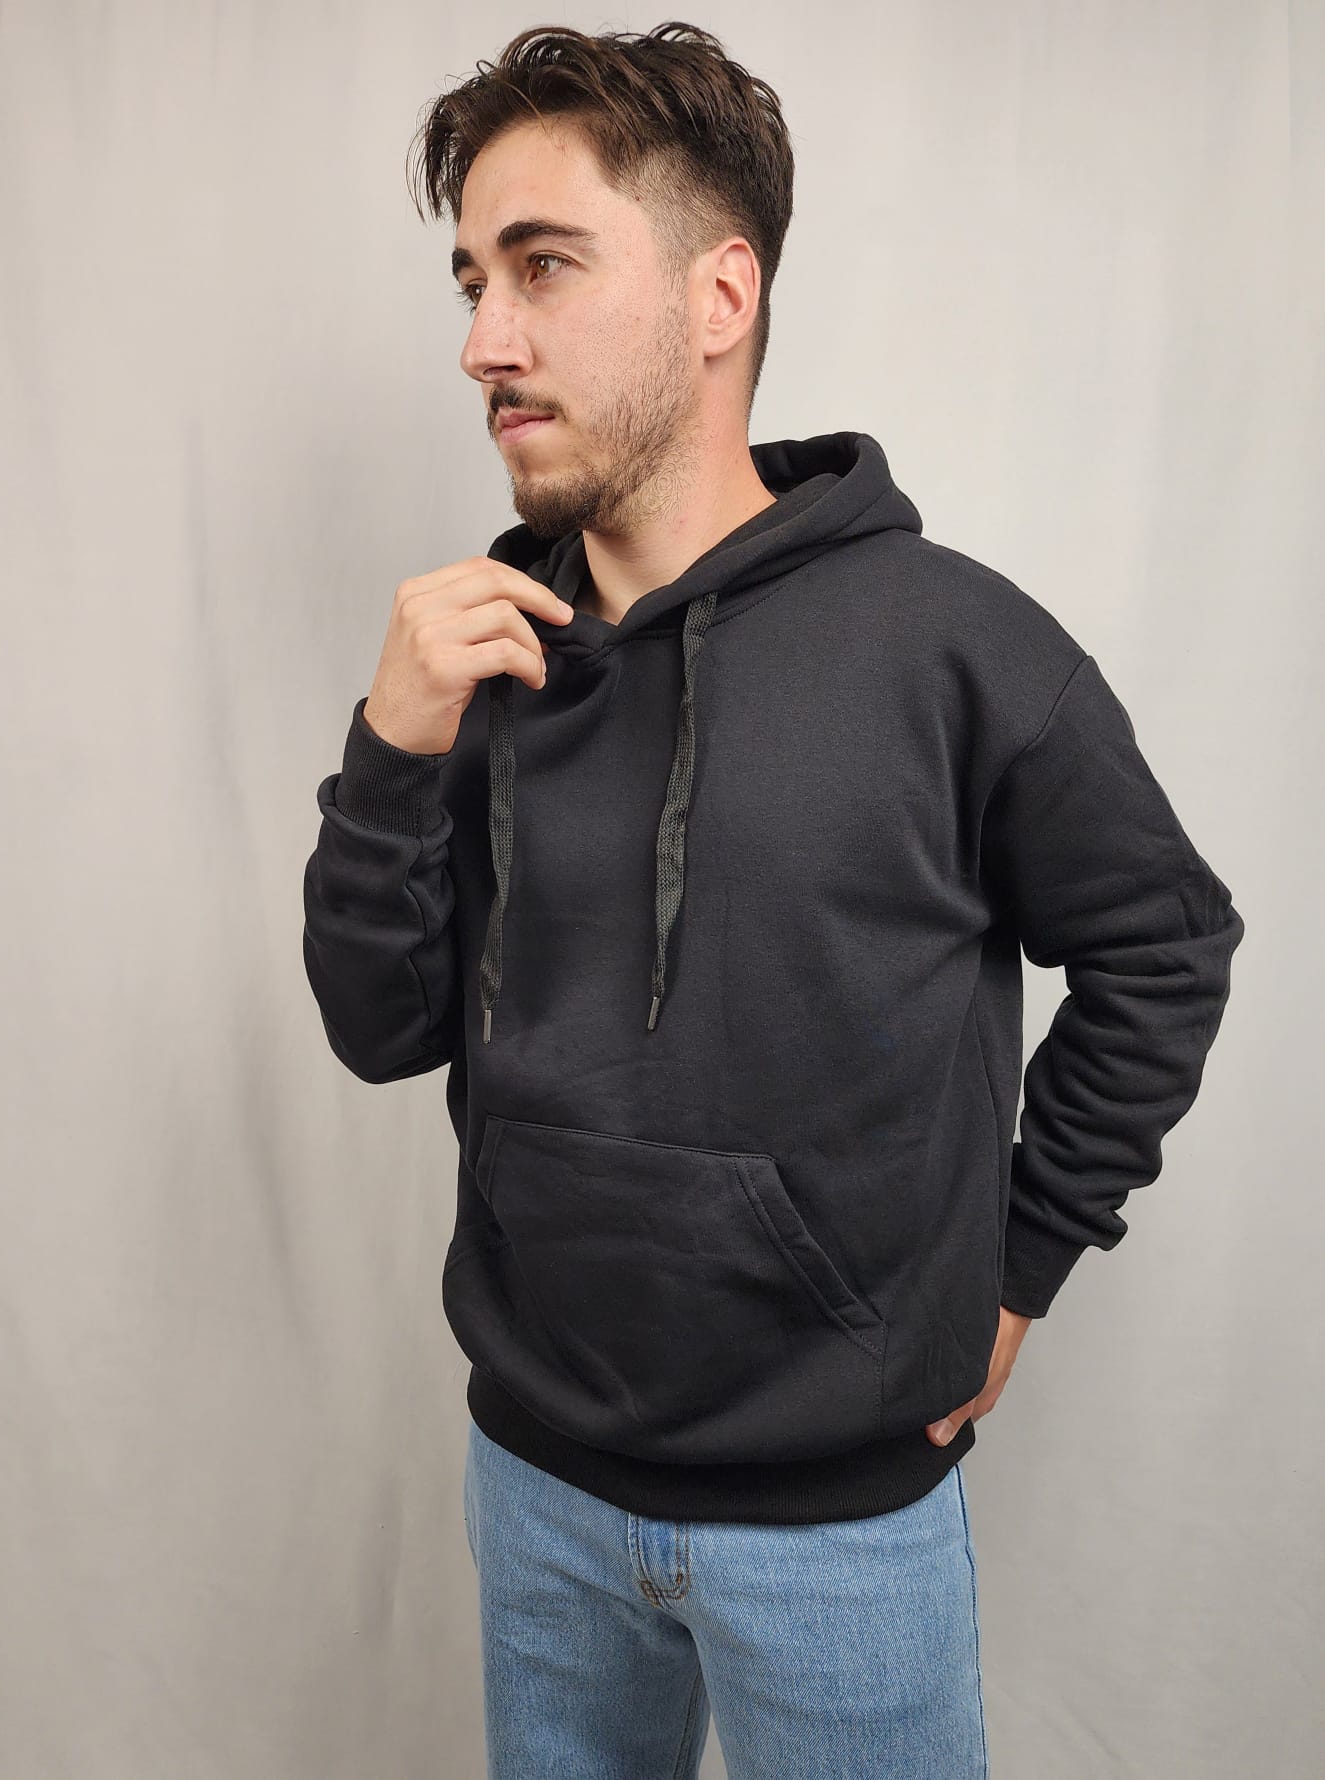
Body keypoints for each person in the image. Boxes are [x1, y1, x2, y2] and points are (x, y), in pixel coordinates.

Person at [301, 21, 1245, 1779]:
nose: (482, 341)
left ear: (717, 295)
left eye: (542, 266)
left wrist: (1021, 1263)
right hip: (535, 1486)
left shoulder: (953, 646)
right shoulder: (480, 656)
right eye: (472, 279)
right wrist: (390, 749)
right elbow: (380, 1031)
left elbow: (1164, 944)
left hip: (839, 1532)